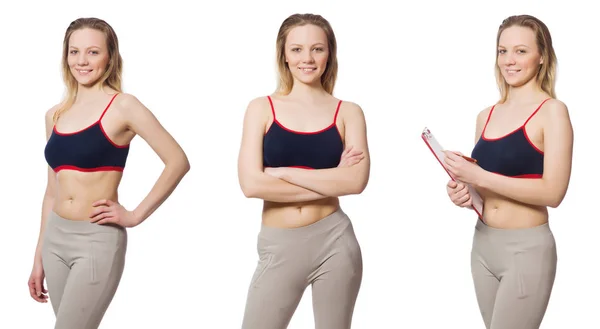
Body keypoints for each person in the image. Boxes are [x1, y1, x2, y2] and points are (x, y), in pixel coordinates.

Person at [27, 17, 190, 329]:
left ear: (110, 57)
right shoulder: (55, 115)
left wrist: (134, 215)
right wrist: (38, 257)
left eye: (92, 52)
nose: (82, 61)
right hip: (55, 240)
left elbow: (177, 160)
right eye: (74, 52)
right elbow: (52, 192)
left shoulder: (123, 106)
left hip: (96, 240)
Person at [237, 13, 370, 329]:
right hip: (279, 244)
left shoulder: (349, 112)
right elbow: (251, 184)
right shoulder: (261, 108)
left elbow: (356, 181)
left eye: (317, 49)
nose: (307, 59)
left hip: (336, 241)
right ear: (283, 54)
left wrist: (285, 173)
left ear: (330, 53)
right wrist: (330, 179)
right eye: (297, 49)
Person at [443, 14, 573, 329]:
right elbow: (485, 190)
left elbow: (553, 193)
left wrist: (479, 178)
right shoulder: (485, 116)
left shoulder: (552, 112)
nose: (509, 61)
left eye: (520, 51)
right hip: (483, 246)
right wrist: (464, 191)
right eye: (503, 51)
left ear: (541, 57)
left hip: (526, 249)